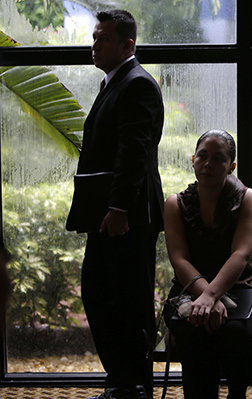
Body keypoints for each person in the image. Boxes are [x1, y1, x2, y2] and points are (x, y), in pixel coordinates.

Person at [66, 10, 165, 399]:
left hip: (128, 216)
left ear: (128, 45)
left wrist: (120, 209)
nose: (94, 45)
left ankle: (131, 385)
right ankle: (123, 383)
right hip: (113, 214)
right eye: (94, 38)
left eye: (103, 39)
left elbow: (134, 151)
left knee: (126, 301)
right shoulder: (117, 83)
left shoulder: (136, 84)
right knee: (103, 294)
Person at [163, 130, 252, 399]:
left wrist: (212, 296)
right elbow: (179, 259)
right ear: (193, 160)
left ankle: (237, 395)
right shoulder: (175, 204)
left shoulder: (247, 198)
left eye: (218, 158)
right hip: (190, 288)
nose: (208, 164)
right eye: (202, 156)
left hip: (243, 287)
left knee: (237, 331)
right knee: (192, 330)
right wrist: (205, 296)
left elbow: (241, 255)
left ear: (231, 166)